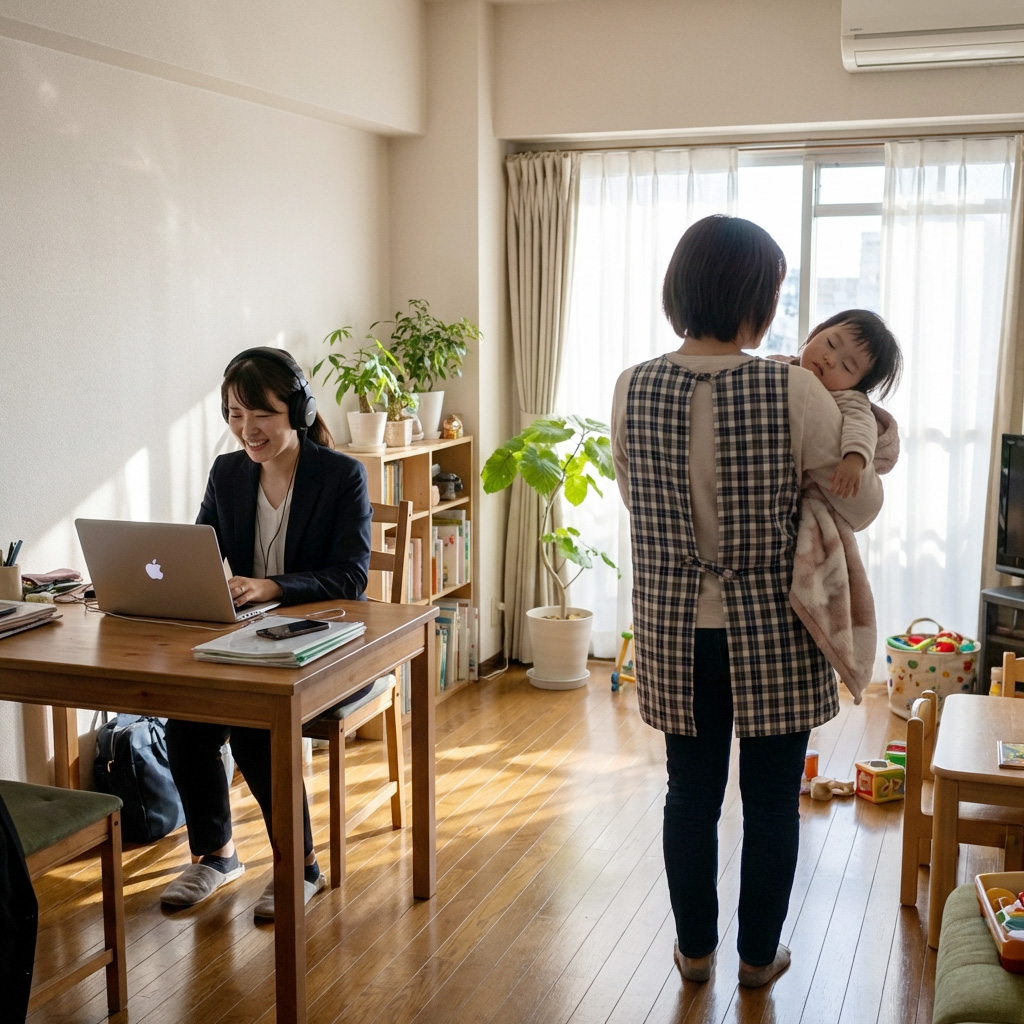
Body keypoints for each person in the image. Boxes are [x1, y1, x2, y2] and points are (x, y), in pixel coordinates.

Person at [610, 215, 884, 988]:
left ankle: (694, 952)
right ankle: (758, 960)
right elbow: (857, 506)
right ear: (757, 300)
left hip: (673, 624)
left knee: (688, 793)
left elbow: (638, 498)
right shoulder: (793, 387)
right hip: (774, 623)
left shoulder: (632, 384)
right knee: (770, 803)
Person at [161, 347, 372, 920]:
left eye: (261, 415)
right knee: (185, 719)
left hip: (328, 643)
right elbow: (203, 548)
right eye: (234, 414)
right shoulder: (229, 472)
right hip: (250, 639)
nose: (246, 430)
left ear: (296, 411)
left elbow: (351, 575)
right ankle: (217, 854)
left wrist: (271, 587)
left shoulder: (340, 475)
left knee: (255, 723)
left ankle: (299, 866)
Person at [787, 309, 902, 499]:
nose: (829, 359)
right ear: (817, 332)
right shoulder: (783, 367)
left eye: (847, 366)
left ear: (857, 385)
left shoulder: (848, 398)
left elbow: (862, 425)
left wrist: (854, 460)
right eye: (831, 343)